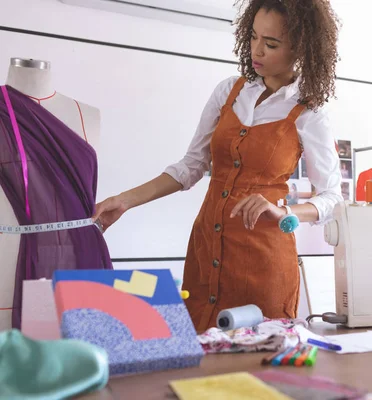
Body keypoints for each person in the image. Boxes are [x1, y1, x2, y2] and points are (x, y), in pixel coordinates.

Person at [93, 0, 343, 333]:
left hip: (264, 260)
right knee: (198, 351)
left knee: (255, 360)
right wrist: (125, 200)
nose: (257, 50)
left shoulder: (311, 113)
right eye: (253, 37)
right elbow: (190, 166)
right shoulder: (229, 91)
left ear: (302, 47)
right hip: (206, 248)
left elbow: (332, 197)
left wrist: (284, 211)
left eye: (271, 44)